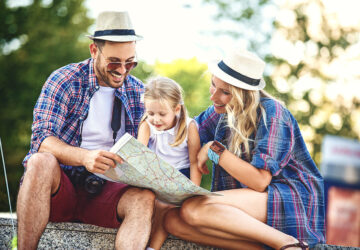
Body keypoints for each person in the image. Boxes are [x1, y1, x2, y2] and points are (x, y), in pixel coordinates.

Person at [16, 11, 156, 250]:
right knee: (40, 162)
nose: (122, 70)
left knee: (144, 198)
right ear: (94, 51)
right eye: (114, 62)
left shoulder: (138, 91)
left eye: (130, 62)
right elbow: (42, 140)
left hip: (106, 192)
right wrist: (85, 157)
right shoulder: (64, 80)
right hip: (62, 186)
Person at [163, 48, 326, 250]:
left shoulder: (272, 113)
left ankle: (288, 243)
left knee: (193, 209)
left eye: (225, 93)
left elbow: (259, 181)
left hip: (287, 199)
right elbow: (192, 127)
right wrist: (192, 185)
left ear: (245, 96)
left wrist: (214, 150)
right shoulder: (222, 112)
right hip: (249, 206)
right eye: (213, 84)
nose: (214, 97)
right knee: (172, 219)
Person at [137, 76, 202, 250]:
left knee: (164, 205)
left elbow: (195, 163)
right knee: (143, 200)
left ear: (176, 109)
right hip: (155, 173)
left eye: (162, 114)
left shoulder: (189, 127)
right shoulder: (146, 125)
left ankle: (153, 247)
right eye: (151, 113)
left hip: (181, 175)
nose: (155, 119)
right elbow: (139, 157)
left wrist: (194, 189)